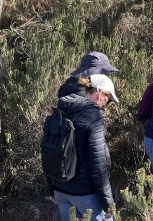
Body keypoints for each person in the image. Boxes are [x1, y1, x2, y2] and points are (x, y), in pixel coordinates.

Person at [50, 74, 118, 221]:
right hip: (85, 194)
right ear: (100, 92)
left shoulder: (61, 108)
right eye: (108, 99)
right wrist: (108, 204)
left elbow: (50, 150)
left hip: (60, 189)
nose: (107, 104)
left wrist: (51, 186)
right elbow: (98, 164)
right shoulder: (93, 116)